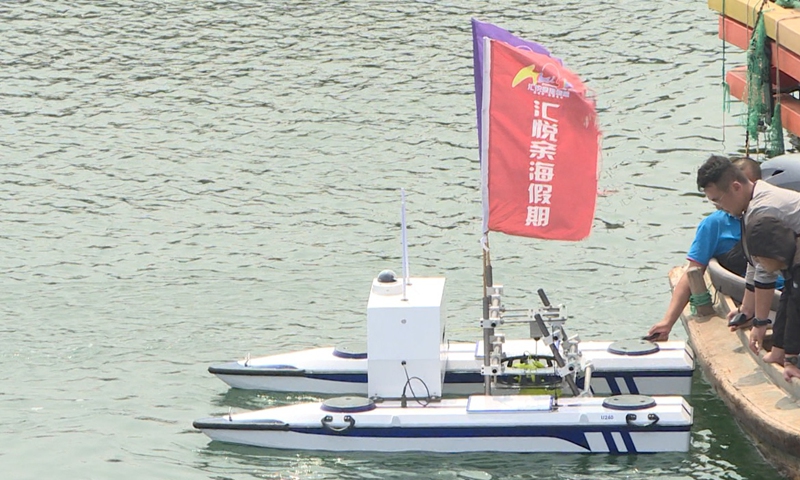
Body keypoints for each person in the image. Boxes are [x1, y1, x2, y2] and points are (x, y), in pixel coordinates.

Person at [697, 154, 800, 363]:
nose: (718, 207)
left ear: (736, 187)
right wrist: (746, 309)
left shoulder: (762, 211)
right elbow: (754, 261)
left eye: (718, 200)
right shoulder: (753, 200)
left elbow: (764, 270)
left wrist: (760, 322)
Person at [647, 157, 761, 341]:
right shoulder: (714, 224)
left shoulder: (769, 211)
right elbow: (693, 270)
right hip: (753, 297)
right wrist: (667, 322)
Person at [744, 214, 800, 382]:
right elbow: (787, 300)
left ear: (771, 253)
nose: (759, 264)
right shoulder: (790, 255)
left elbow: (797, 313)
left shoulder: (798, 266)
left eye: (759, 259)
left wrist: (791, 360)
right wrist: (778, 349)